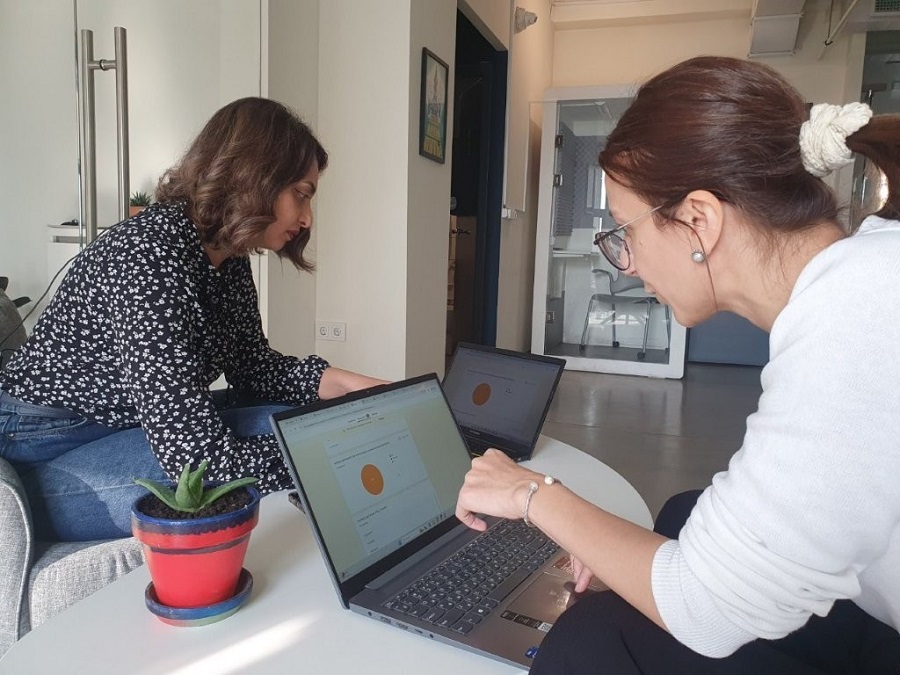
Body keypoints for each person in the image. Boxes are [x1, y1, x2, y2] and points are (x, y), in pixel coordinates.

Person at [455, 57, 900, 673]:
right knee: (682, 514)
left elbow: (706, 612)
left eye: (625, 232)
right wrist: (606, 548)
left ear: (698, 220)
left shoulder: (856, 322)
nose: (627, 262)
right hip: (877, 598)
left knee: (589, 637)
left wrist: (531, 493)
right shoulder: (862, 277)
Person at [0, 97, 384, 542]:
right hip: (43, 448)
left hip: (128, 421)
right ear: (254, 175)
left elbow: (252, 367)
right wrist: (328, 455)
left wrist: (344, 384)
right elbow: (199, 461)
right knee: (306, 441)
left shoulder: (227, 257)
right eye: (301, 193)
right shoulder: (147, 256)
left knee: (300, 422)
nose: (307, 217)